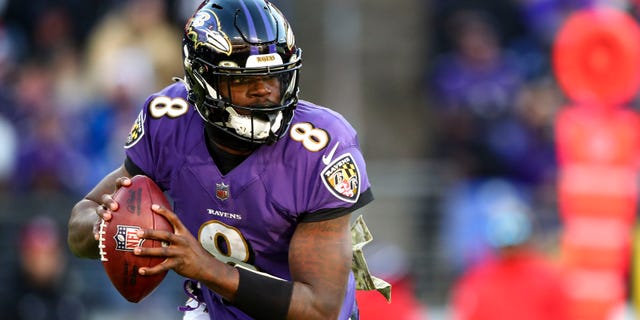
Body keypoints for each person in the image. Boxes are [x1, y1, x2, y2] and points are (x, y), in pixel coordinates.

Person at [67, 0, 374, 319]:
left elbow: (320, 309)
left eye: (275, 77)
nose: (265, 91)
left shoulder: (321, 146)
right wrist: (107, 225)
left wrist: (207, 269)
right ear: (202, 79)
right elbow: (78, 228)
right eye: (243, 80)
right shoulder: (170, 121)